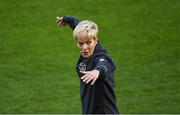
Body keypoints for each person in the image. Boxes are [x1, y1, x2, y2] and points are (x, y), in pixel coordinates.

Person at [56, 16, 119, 114]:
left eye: (88, 43)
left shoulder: (101, 56)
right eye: (81, 44)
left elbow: (103, 64)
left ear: (96, 40)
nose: (85, 47)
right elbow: (78, 25)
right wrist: (67, 19)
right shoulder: (86, 37)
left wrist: (97, 71)